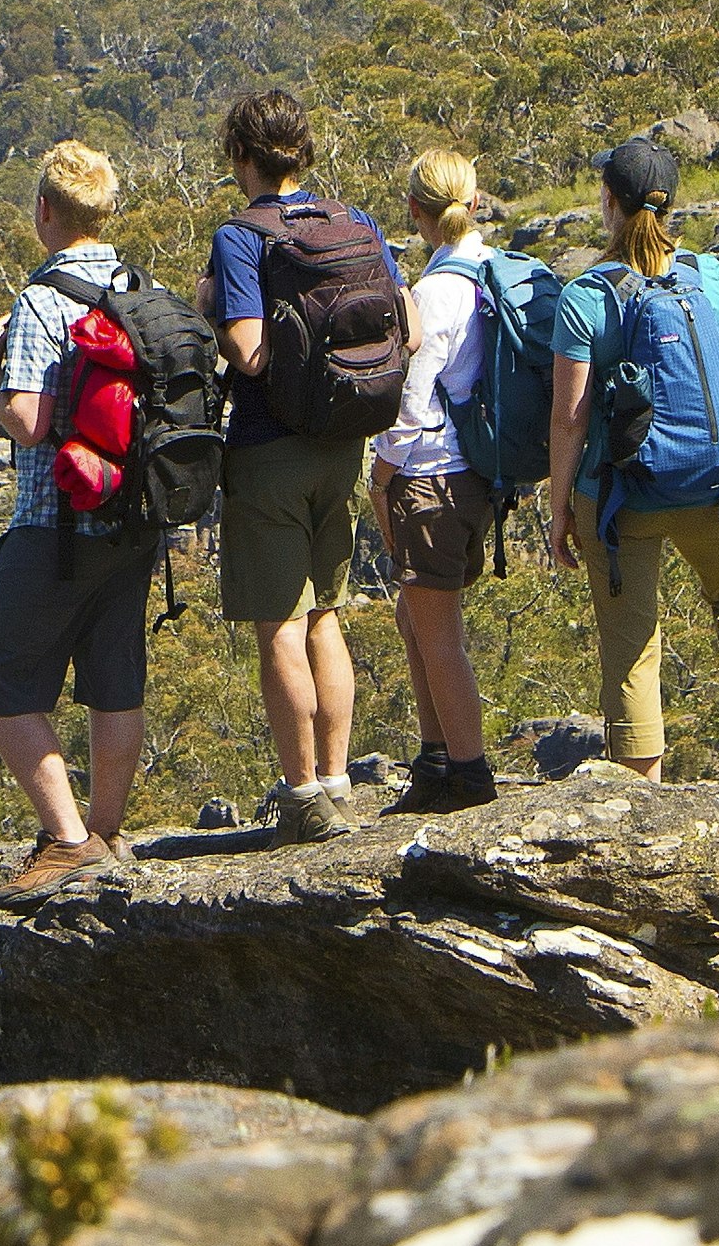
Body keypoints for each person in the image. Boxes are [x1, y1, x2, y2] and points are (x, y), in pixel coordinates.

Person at [542, 138, 719, 785]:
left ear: (607, 202)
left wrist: (560, 511)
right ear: (671, 205)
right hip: (713, 482)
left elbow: (570, 416)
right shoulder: (709, 274)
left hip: (620, 496)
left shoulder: (587, 296)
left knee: (631, 637)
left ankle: (642, 785)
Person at [200, 87, 402, 842]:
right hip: (343, 446)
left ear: (242, 157)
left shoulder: (242, 236)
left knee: (279, 624)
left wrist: (211, 307)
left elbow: (250, 352)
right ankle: (340, 781)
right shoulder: (356, 224)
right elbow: (401, 325)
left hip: (268, 449)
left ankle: (301, 793)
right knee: (327, 615)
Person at [0, 139, 158, 899]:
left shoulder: (42, 304)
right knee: (115, 672)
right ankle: (107, 832)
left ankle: (70, 839)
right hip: (138, 519)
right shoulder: (144, 290)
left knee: (1, 677)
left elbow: (30, 424)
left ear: (45, 212)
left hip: (56, 519)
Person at [372, 148, 501, 814]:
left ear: (417, 212)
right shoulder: (494, 272)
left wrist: (379, 474)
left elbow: (413, 404)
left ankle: (467, 774)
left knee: (438, 630)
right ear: (473, 203)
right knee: (414, 615)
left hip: (431, 480)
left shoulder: (434, 291)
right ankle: (435, 761)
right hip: (478, 477)